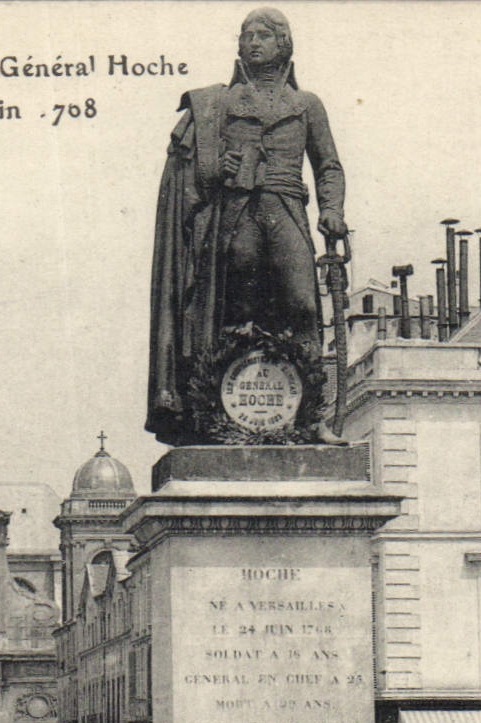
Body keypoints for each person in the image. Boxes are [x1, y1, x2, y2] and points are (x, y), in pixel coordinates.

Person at [147, 7, 346, 446]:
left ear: (283, 44)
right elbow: (188, 166)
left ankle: (310, 418)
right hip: (237, 216)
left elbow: (328, 165)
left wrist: (331, 210)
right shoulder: (220, 104)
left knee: (304, 308)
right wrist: (217, 166)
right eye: (246, 35)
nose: (252, 42)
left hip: (287, 208)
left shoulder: (306, 104)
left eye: (263, 36)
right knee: (233, 313)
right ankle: (219, 417)